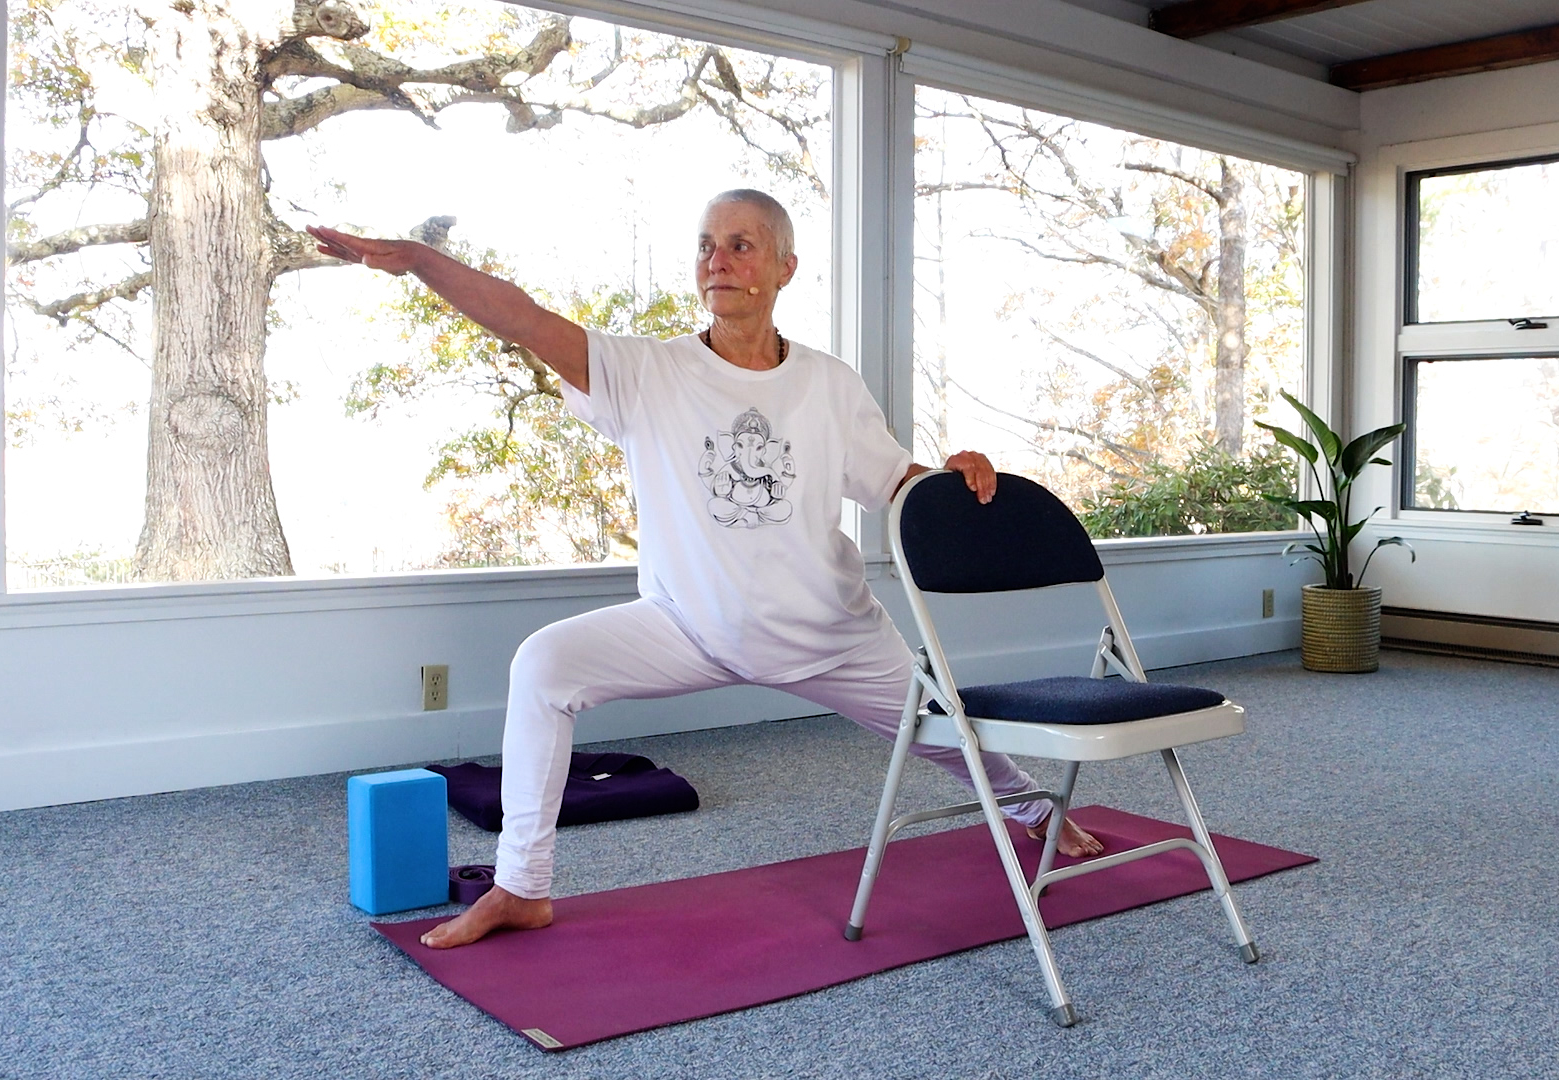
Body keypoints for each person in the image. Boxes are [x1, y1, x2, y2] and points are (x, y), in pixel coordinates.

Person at [308, 190, 1101, 949]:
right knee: (545, 665)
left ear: (785, 267)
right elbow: (521, 317)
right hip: (691, 624)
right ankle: (522, 885)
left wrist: (951, 477)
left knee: (937, 731)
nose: (716, 260)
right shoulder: (647, 373)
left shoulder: (828, 384)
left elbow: (897, 487)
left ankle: (1034, 814)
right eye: (705, 246)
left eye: (740, 244)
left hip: (831, 633)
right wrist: (419, 261)